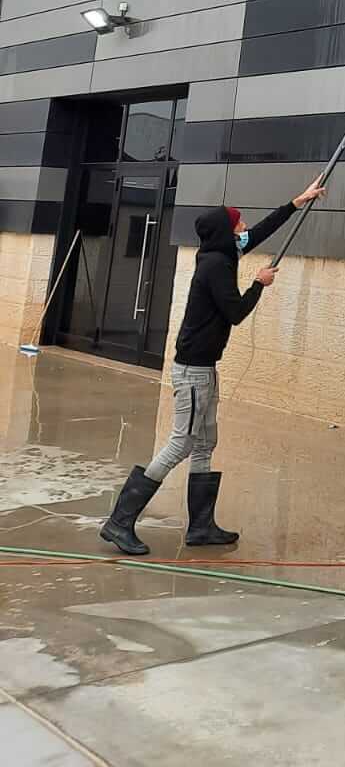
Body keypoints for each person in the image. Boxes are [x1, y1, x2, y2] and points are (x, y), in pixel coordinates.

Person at [100, 181, 326, 556]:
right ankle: (119, 521)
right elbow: (236, 312)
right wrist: (258, 284)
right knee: (182, 443)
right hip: (192, 371)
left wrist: (296, 202)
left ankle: (201, 527)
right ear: (225, 230)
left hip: (204, 368)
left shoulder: (222, 251)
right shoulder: (215, 266)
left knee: (205, 442)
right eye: (238, 223)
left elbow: (260, 231)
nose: (244, 227)